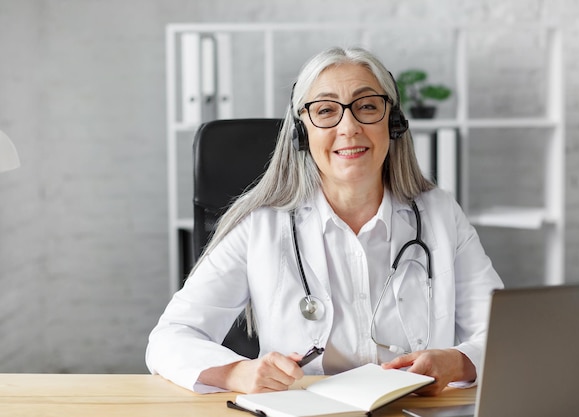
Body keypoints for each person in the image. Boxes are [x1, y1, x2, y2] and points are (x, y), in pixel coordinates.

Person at [146, 46, 503, 396]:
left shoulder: (439, 214)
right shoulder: (260, 227)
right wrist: (237, 373)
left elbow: (504, 334)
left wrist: (458, 361)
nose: (349, 127)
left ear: (393, 122)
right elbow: (170, 338)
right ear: (302, 132)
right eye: (326, 111)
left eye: (366, 107)